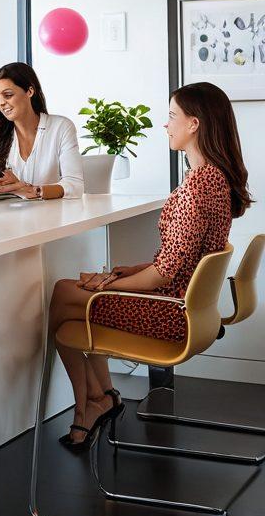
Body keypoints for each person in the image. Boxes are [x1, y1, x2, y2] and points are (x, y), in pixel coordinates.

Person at [48, 81, 250, 452]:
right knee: (76, 296)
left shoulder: (198, 187)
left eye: (172, 116)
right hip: (181, 303)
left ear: (195, 123)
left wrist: (108, 288)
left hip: (170, 312)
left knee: (64, 293)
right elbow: (181, 257)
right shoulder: (214, 179)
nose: (166, 124)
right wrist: (124, 271)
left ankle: (90, 404)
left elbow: (166, 274)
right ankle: (100, 397)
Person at [0, 62, 83, 201]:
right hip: (5, 217)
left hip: (50, 218)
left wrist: (30, 190)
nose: (0, 102)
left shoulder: (61, 127)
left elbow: (75, 185)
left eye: (7, 95)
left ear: (30, 91)